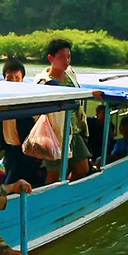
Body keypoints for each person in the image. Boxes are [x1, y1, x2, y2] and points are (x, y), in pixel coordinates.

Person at [34, 39, 103, 182]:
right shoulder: (44, 81)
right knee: (55, 173)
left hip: (74, 129)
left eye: (68, 56)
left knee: (83, 167)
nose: (66, 61)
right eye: (61, 57)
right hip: (55, 133)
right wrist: (89, 93)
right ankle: (50, 198)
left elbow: (76, 95)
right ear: (50, 58)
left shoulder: (70, 73)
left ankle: (66, 189)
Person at [0, 58, 44, 187]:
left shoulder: (28, 101)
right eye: (9, 78)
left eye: (16, 78)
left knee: (12, 184)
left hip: (24, 152)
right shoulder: (0, 99)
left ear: (22, 79)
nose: (13, 81)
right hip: (9, 150)